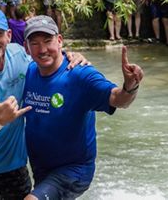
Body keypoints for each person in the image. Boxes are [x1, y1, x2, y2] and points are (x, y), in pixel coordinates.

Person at [0, 7, 89, 199]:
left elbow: (47, 56)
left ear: (8, 35)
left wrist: (70, 56)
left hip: (11, 165)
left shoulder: (21, 56)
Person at [22, 15, 144, 199]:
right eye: (35, 43)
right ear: (26, 48)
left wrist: (130, 86)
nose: (43, 49)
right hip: (42, 168)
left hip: (74, 171)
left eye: (48, 41)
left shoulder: (80, 74)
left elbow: (118, 99)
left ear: (60, 41)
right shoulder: (28, 71)